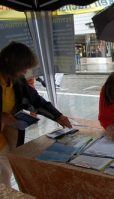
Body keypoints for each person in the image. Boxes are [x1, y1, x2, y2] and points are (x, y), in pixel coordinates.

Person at [0, 42, 72, 187]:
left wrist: (58, 116)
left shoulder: (16, 80)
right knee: (3, 174)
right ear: (11, 64)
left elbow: (36, 100)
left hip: (6, 133)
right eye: (23, 68)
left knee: (6, 170)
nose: (25, 72)